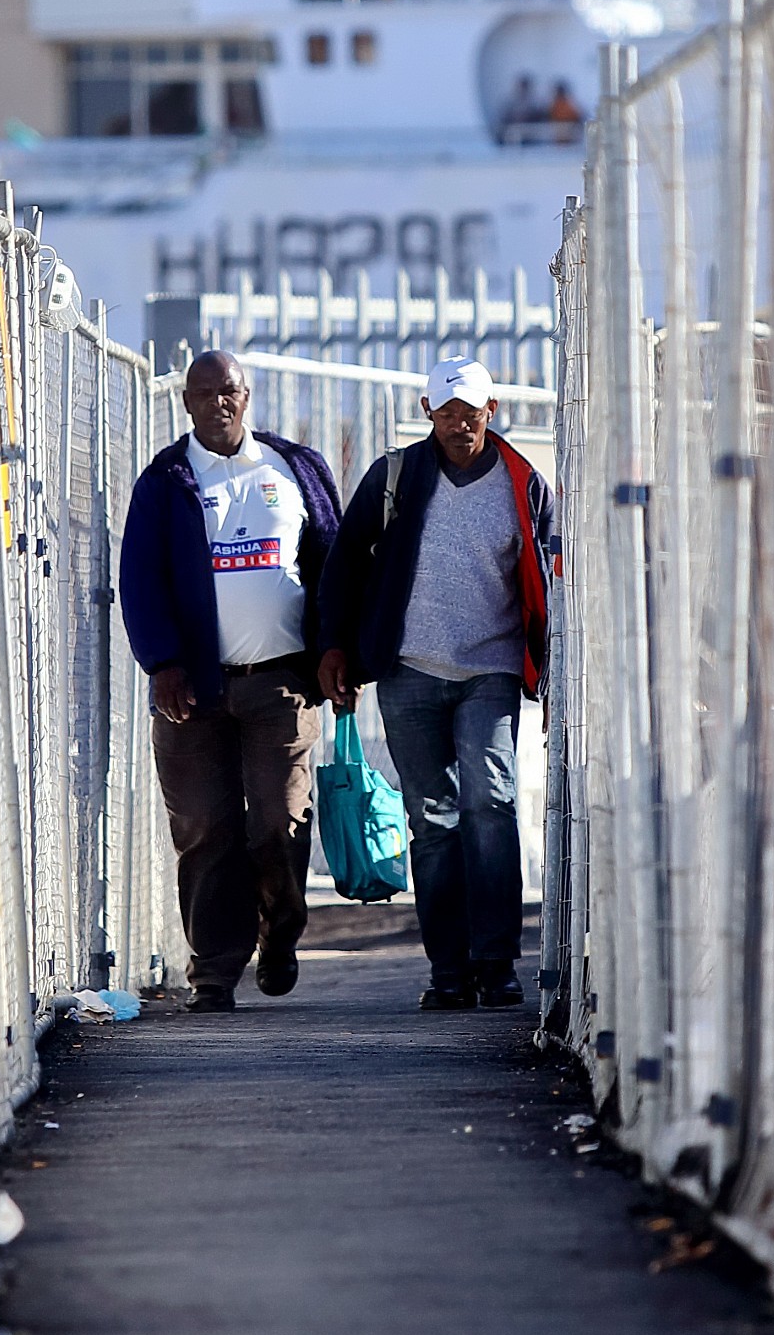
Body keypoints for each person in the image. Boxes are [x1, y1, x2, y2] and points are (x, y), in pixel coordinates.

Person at [317, 358, 554, 1012]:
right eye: (446, 412)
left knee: (492, 801)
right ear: (427, 411)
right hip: (409, 670)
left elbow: (551, 576)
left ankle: (497, 963)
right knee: (433, 819)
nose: (458, 424)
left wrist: (552, 665)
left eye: (469, 412)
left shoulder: (522, 483)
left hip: (491, 668)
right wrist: (336, 647)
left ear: (492, 411)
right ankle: (449, 971)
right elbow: (343, 564)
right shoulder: (395, 476)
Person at [120, 351, 340, 1012]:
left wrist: (336, 651)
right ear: (186, 403)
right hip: (193, 693)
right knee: (205, 831)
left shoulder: (293, 467)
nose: (221, 402)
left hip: (280, 684)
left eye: (233, 390)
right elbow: (140, 580)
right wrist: (162, 663)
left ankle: (279, 936)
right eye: (207, 392)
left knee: (277, 822)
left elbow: (333, 562)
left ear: (249, 397)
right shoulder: (166, 480)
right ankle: (214, 973)